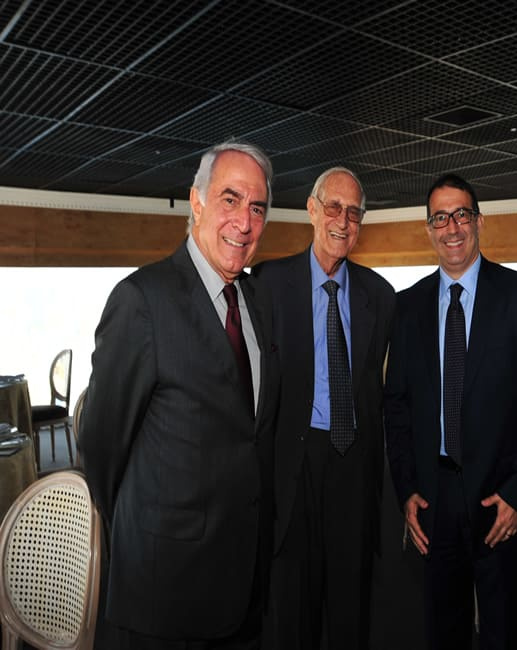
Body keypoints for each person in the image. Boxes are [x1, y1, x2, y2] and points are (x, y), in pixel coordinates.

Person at [79, 141, 278, 649]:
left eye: (257, 208)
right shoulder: (142, 300)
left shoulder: (257, 303)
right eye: (230, 199)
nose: (244, 222)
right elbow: (101, 449)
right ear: (196, 201)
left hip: (245, 590)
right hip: (164, 593)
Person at [384, 173, 517, 650]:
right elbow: (396, 406)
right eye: (440, 218)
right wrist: (406, 490)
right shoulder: (408, 306)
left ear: (479, 221)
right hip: (433, 501)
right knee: (443, 632)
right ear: (429, 229)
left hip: (501, 501)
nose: (452, 228)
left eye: (461, 214)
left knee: (504, 634)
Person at [250, 167, 395, 650]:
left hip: (355, 464)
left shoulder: (380, 296)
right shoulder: (269, 284)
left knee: (352, 608)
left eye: (354, 213)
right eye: (334, 207)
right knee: (294, 611)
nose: (343, 221)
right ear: (312, 210)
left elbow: (381, 390)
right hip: (294, 464)